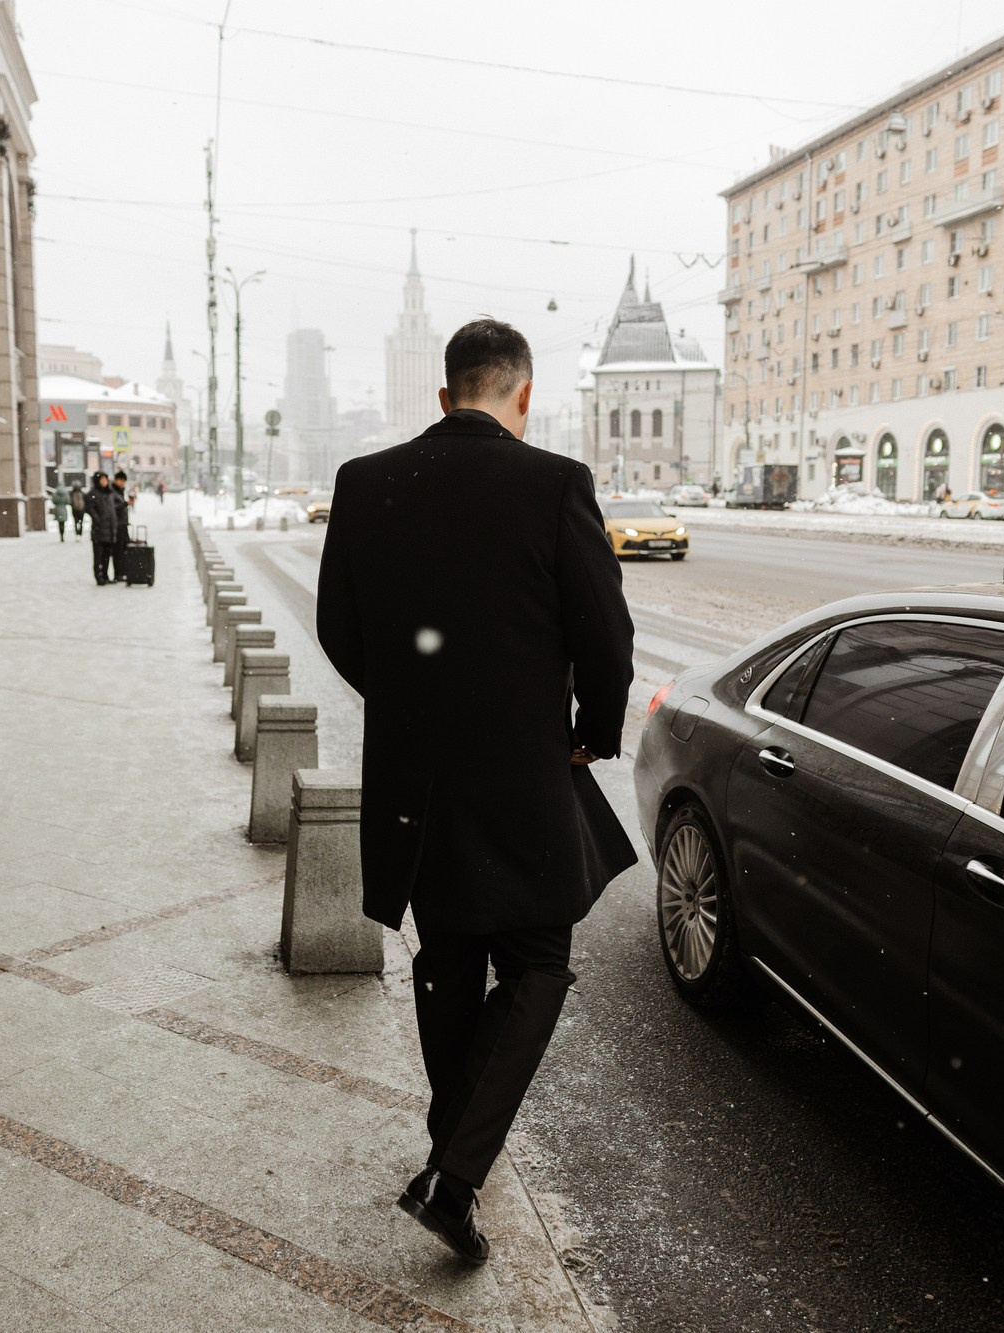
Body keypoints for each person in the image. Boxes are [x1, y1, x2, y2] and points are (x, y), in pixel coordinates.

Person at [317, 319, 636, 1265]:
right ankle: (452, 1178)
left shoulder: (366, 482)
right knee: (538, 962)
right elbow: (605, 638)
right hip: (526, 776)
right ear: (523, 397)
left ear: (446, 392)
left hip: (417, 782)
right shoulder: (554, 484)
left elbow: (340, 627)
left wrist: (417, 702)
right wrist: (592, 733)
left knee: (447, 961)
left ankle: (445, 1166)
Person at [88, 472, 124, 585]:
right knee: (98, 555)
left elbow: (115, 506)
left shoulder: (109, 493)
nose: (104, 482)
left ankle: (105, 575)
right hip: (99, 529)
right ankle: (98, 576)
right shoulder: (93, 494)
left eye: (105, 480)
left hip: (110, 528)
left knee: (107, 554)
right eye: (102, 480)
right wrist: (97, 519)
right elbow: (89, 508)